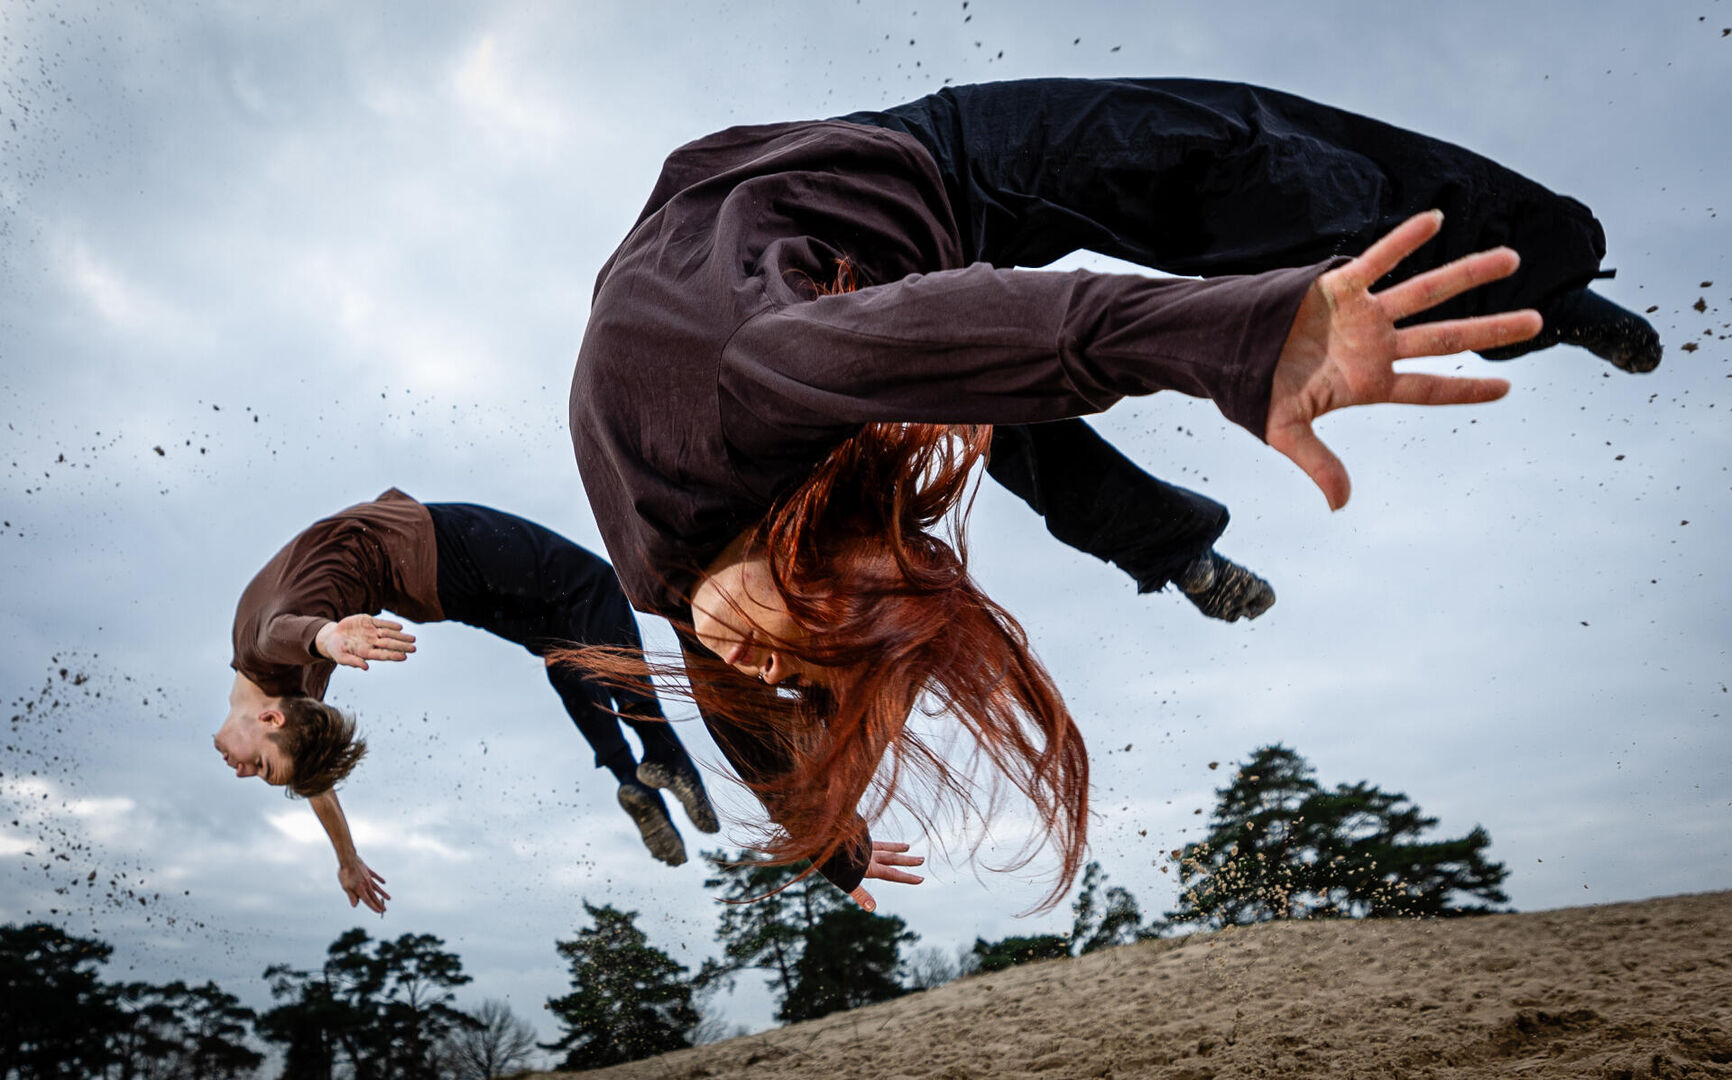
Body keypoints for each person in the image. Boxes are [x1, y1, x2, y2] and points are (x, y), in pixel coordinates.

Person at [566, 77, 1661, 911]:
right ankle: (1173, 551)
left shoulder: (752, 392)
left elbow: (1044, 329)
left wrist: (1243, 338)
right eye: (804, 665)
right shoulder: (734, 604)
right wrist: (833, 844)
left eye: (789, 650)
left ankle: (1541, 274)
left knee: (1208, 151)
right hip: (820, 301)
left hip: (922, 168)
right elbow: (756, 725)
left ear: (817, 536)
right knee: (983, 398)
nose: (764, 666)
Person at [213, 489, 718, 912]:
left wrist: (326, 638)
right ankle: (662, 754)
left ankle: (630, 778)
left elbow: (281, 632)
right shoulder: (292, 697)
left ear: (271, 717)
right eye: (258, 766)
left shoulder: (264, 650)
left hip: (433, 569)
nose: (242, 771)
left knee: (563, 640)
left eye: (257, 765)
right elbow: (313, 776)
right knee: (593, 588)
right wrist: (347, 859)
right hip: (430, 553)